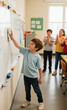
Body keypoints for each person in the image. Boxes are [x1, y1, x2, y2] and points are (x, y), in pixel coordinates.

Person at [9, 30, 44, 110]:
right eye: (30, 43)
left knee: (37, 90)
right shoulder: (26, 51)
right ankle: (28, 100)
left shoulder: (37, 57)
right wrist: (12, 38)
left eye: (32, 44)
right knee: (27, 89)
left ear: (36, 48)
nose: (29, 44)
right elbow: (18, 46)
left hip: (34, 77)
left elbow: (40, 68)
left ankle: (41, 102)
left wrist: (41, 78)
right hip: (26, 76)